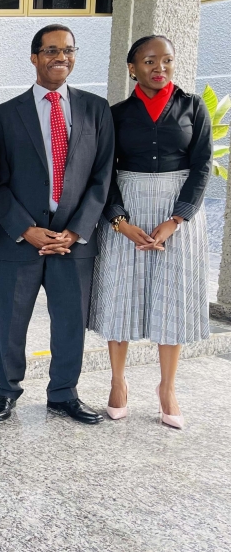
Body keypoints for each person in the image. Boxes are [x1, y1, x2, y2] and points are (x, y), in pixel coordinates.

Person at [0, 24, 114, 425]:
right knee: (9, 322)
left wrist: (76, 231)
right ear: (34, 57)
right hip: (19, 241)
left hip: (74, 242)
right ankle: (6, 393)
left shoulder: (97, 109)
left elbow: (102, 177)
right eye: (52, 50)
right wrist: (25, 229)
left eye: (69, 50)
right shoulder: (4, 115)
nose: (62, 57)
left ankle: (63, 394)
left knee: (70, 322)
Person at [90, 36, 211, 429]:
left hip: (176, 216)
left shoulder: (194, 107)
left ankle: (167, 388)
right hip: (128, 209)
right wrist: (119, 221)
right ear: (132, 68)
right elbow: (103, 170)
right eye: (149, 61)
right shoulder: (115, 113)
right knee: (120, 294)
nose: (160, 68)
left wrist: (177, 219)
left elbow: (203, 166)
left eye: (167, 60)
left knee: (171, 298)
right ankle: (118, 382)